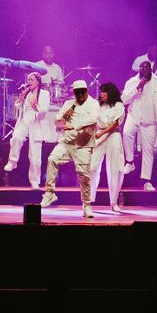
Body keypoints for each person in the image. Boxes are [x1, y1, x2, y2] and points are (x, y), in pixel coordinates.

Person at [41, 80, 100, 218]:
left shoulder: (93, 104)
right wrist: (59, 122)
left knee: (84, 175)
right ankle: (49, 193)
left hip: (83, 145)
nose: (79, 94)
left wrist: (73, 126)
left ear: (86, 91)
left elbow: (92, 120)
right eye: (76, 92)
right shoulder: (70, 104)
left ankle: (87, 205)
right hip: (67, 142)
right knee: (52, 159)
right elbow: (60, 117)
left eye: (82, 92)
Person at [120, 59, 157, 190]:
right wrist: (137, 87)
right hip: (134, 116)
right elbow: (124, 100)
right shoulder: (131, 82)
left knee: (148, 151)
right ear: (139, 69)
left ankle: (146, 181)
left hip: (151, 121)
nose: (144, 70)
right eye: (142, 68)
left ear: (151, 69)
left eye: (147, 68)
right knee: (127, 132)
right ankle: (130, 162)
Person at [3, 72, 52, 188]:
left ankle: (35, 181)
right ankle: (12, 161)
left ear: (38, 81)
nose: (29, 81)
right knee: (16, 137)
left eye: (32, 79)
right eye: (28, 79)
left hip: (36, 121)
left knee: (35, 155)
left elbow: (44, 111)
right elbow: (17, 106)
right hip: (25, 119)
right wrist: (22, 95)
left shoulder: (44, 94)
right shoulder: (27, 92)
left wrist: (35, 106)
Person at [89, 82, 126, 214]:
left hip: (112, 136)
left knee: (114, 169)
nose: (102, 94)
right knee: (92, 167)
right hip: (99, 136)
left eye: (105, 91)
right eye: (101, 91)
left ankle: (114, 202)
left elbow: (115, 125)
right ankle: (89, 199)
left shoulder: (119, 105)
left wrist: (102, 133)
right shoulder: (98, 105)